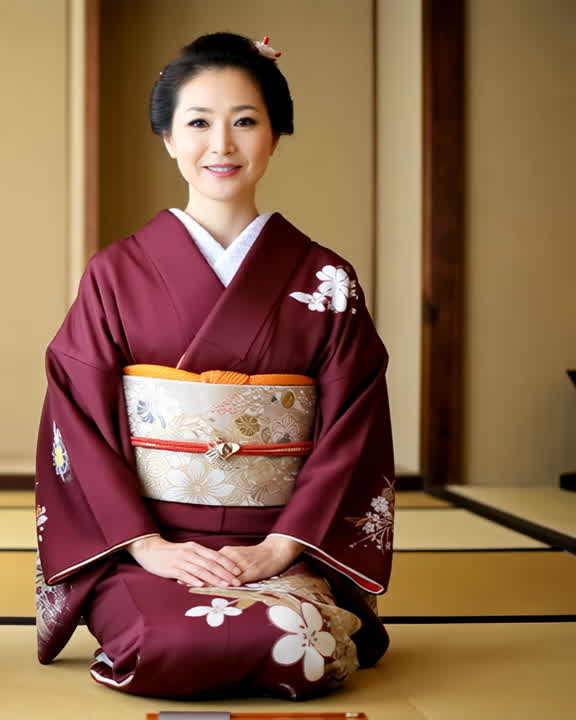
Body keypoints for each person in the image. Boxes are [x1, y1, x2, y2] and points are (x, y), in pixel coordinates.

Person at [34, 32, 394, 700]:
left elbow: (353, 429)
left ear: (275, 136)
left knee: (289, 644)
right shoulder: (115, 273)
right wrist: (147, 546)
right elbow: (76, 418)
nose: (221, 145)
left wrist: (277, 550)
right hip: (152, 547)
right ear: (168, 137)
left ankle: (306, 602)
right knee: (163, 644)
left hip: (280, 547)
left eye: (245, 122)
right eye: (198, 122)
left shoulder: (325, 279)